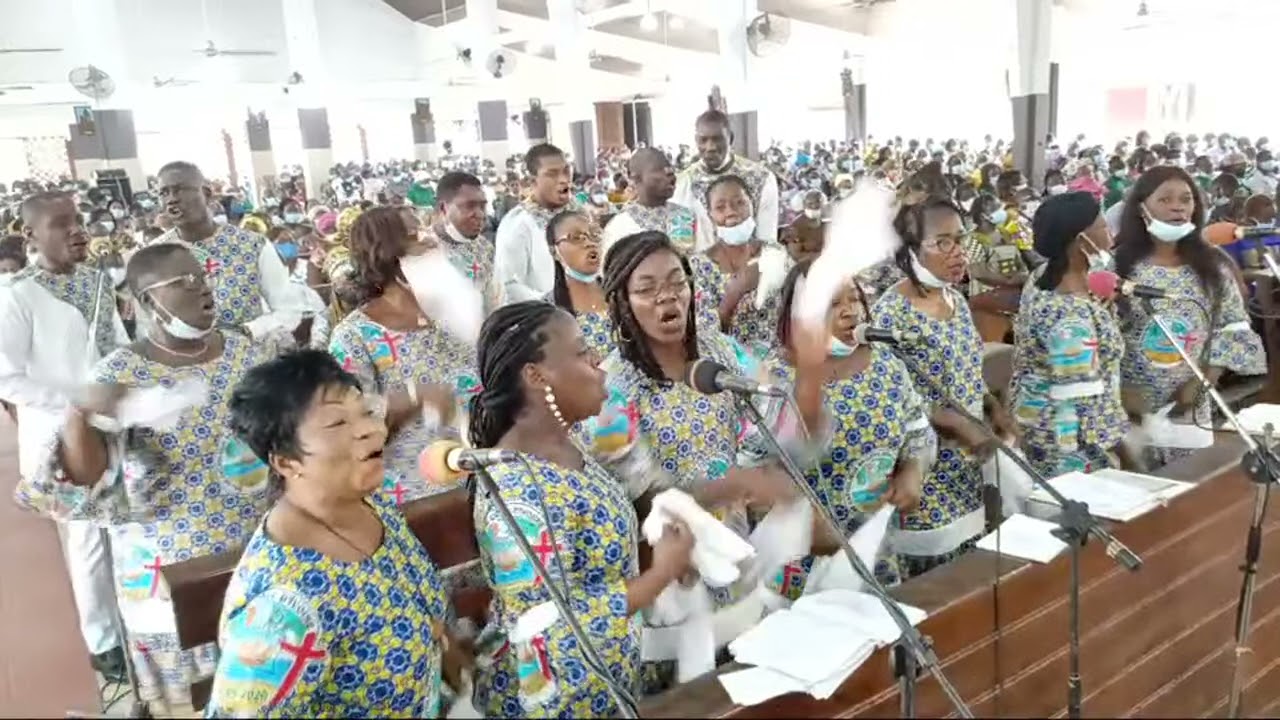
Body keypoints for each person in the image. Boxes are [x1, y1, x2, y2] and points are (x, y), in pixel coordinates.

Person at [13, 243, 277, 712]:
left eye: (203, 277)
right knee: (195, 701)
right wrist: (80, 412)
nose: (203, 290)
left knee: (264, 686)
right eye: (183, 283)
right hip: (166, 577)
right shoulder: (121, 373)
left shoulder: (247, 355)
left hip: (257, 557)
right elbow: (84, 479)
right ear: (143, 303)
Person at [585, 230, 827, 691]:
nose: (667, 298)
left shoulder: (721, 354)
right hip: (670, 585)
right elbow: (639, 503)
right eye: (647, 289)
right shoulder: (612, 388)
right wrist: (731, 485)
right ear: (620, 303)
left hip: (735, 567)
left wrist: (811, 373)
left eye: (676, 282)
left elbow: (784, 432)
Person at [206, 350, 468, 717]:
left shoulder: (366, 506)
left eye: (365, 413)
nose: (370, 429)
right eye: (336, 424)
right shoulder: (281, 607)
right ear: (286, 461)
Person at [466, 301, 693, 717]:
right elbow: (545, 624)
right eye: (582, 352)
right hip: (557, 699)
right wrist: (659, 575)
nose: (598, 363)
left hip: (606, 675)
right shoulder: (519, 492)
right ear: (535, 376)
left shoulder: (569, 444)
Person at [0, 191, 128, 678]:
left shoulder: (97, 281)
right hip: (60, 433)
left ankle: (132, 619)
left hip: (113, 424)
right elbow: (5, 375)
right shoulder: (17, 295)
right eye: (60, 224)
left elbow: (118, 347)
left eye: (78, 221)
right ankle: (102, 640)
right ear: (30, 235)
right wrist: (74, 403)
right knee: (88, 538)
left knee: (123, 526)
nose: (77, 231)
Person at [765, 260, 935, 592]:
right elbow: (751, 475)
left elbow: (919, 434)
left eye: (854, 298)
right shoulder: (775, 381)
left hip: (874, 557)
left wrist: (912, 471)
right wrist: (801, 526)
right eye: (833, 303)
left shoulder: (885, 364)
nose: (850, 312)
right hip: (801, 569)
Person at [871, 195, 1016, 576]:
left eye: (961, 239)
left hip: (966, 465)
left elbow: (966, 369)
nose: (958, 253)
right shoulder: (890, 315)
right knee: (937, 579)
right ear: (909, 251)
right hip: (924, 471)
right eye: (943, 243)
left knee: (972, 569)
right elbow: (892, 399)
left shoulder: (954, 298)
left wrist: (990, 405)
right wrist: (953, 422)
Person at [1114, 166, 1267, 466]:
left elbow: (1234, 328)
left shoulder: (1212, 265)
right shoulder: (1115, 265)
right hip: (1128, 411)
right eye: (1165, 199)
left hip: (1188, 409)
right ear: (1141, 208)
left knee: (1190, 492)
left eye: (1186, 199)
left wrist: (1204, 382)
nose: (1178, 207)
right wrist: (1119, 392)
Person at [328, 207, 479, 504]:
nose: (430, 240)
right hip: (417, 494)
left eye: (425, 230)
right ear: (387, 255)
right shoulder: (355, 336)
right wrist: (414, 398)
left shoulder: (455, 315)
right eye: (414, 235)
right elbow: (350, 427)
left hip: (480, 473)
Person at [1010, 192, 1130, 477]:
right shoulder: (1069, 318)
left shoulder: (1041, 275)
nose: (1110, 233)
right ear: (1080, 242)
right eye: (1102, 227)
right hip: (1067, 445)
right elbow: (1079, 403)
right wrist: (1123, 451)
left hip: (1037, 421)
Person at [152, 161, 310, 343]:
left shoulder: (252, 245)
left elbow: (288, 310)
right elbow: (148, 322)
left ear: (207, 193)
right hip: (185, 364)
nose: (172, 199)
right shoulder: (155, 255)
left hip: (249, 358)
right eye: (164, 193)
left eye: (180, 190)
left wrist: (248, 332)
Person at [695, 175, 786, 354]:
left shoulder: (775, 252)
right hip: (730, 366)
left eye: (739, 203)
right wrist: (736, 291)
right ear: (710, 215)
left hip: (781, 361)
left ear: (752, 205)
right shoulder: (699, 266)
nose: (731, 212)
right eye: (720, 207)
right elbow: (703, 335)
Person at [673, 110, 780, 247]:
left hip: (751, 265)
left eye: (717, 139)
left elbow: (767, 239)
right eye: (703, 140)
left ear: (730, 138)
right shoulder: (683, 184)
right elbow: (680, 243)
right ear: (696, 141)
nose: (710, 147)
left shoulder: (761, 178)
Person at [494, 144, 578, 304]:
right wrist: (552, 301)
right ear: (532, 181)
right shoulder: (518, 223)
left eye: (566, 171)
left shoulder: (580, 213)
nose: (563, 179)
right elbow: (509, 286)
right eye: (552, 174)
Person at [602, 148, 707, 256]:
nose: (669, 172)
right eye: (658, 169)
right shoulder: (620, 226)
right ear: (636, 178)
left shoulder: (686, 216)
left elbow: (704, 260)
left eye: (669, 168)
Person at [546, 209, 612, 360]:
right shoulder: (548, 312)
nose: (589, 243)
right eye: (576, 238)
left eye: (594, 235)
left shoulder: (620, 295)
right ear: (554, 251)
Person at [430, 171, 498, 312]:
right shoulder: (422, 253)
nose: (480, 215)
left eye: (482, 206)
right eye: (469, 206)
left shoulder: (484, 246)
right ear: (444, 208)